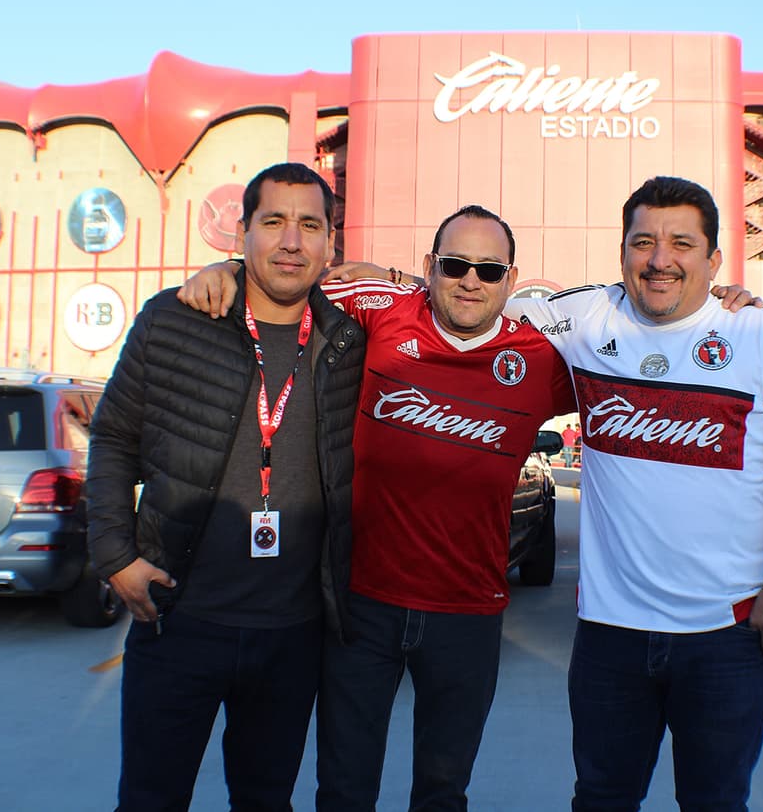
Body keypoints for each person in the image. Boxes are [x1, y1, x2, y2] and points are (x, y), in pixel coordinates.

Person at [181, 204, 577, 811]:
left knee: (443, 793)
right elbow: (290, 275)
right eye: (456, 265)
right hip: (362, 607)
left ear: (512, 280)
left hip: (468, 615)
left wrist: (724, 309)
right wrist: (229, 269)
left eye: (489, 270)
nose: (471, 280)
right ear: (428, 268)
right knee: (344, 787)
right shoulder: (381, 309)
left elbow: (640, 346)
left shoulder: (542, 360)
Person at [506, 176, 763, 811]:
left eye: (682, 243)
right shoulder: (582, 318)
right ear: (623, 250)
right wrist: (383, 281)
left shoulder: (758, 330)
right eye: (644, 242)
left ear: (713, 260)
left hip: (727, 637)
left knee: (715, 803)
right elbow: (474, 302)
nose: (660, 260)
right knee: (601, 799)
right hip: (610, 635)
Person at [86, 162, 366, 811]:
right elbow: (112, 440)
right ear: (241, 234)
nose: (291, 241)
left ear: (332, 241)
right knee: (151, 798)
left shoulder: (349, 340)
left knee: (266, 800)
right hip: (179, 621)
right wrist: (115, 557)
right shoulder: (175, 320)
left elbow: (454, 297)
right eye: (273, 222)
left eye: (309, 225)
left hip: (293, 633)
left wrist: (393, 277)